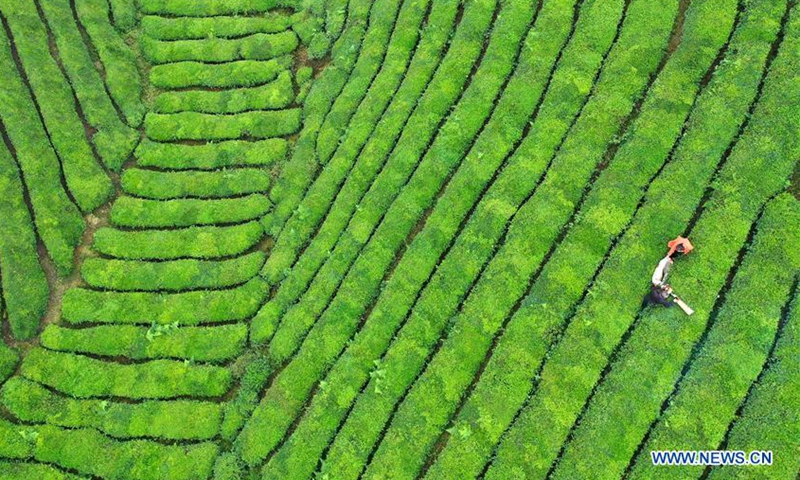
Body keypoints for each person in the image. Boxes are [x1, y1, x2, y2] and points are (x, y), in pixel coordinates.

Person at [643, 243, 686, 307]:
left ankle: (676, 253)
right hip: (657, 288)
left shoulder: (656, 283)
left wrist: (674, 300)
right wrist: (674, 301)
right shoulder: (661, 299)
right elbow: (668, 305)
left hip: (657, 281)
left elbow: (657, 286)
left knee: (665, 265)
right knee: (666, 268)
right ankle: (676, 253)